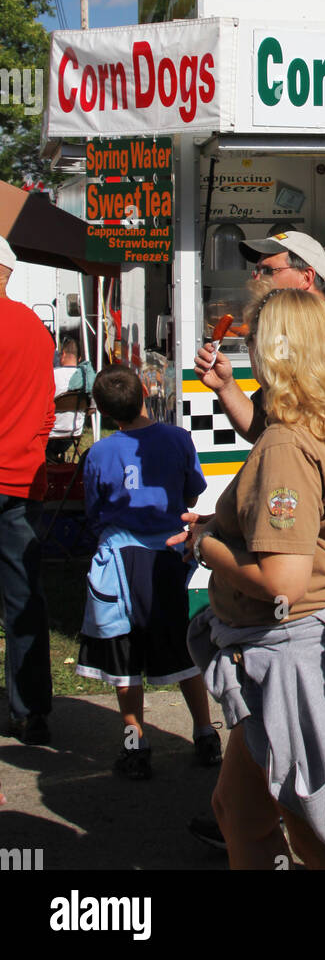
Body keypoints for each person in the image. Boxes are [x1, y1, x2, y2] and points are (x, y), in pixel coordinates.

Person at [178, 289, 325, 870]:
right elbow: (281, 444)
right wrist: (228, 390)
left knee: (315, 833)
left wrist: (204, 542)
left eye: (255, 342)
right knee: (242, 812)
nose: (251, 353)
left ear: (276, 350)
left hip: (296, 652)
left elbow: (282, 578)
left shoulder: (288, 442)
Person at [75, 366, 222, 779]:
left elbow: (93, 509)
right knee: (181, 648)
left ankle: (135, 746)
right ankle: (206, 733)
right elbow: (192, 492)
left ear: (104, 412)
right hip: (168, 557)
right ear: (145, 391)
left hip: (119, 562)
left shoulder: (99, 453)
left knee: (123, 662)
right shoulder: (178, 439)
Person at [193, 230, 325, 444]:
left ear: (306, 277)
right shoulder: (281, 336)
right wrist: (225, 386)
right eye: (256, 270)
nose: (256, 278)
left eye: (267, 270)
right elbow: (263, 430)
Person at [0, 236, 56, 744]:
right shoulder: (37, 330)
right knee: (23, 597)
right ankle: (31, 709)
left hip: (14, 472)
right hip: (22, 477)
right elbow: (46, 409)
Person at [47, 334, 96, 461]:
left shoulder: (52, 375)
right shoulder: (86, 378)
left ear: (62, 354)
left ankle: (51, 459)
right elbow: (92, 409)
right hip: (74, 433)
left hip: (50, 434)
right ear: (79, 358)